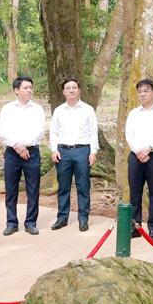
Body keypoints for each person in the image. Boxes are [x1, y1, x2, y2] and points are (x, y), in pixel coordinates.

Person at [49, 78, 99, 232]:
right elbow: (54, 132)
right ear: (63, 92)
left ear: (79, 90)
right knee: (63, 186)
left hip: (82, 151)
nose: (71, 90)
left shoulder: (87, 109)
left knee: (83, 186)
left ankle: (83, 218)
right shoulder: (59, 110)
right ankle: (62, 217)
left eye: (74, 87)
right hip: (63, 151)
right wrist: (54, 149)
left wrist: (93, 151)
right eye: (68, 88)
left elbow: (93, 132)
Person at [0, 76, 44, 236]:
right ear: (16, 90)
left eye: (31, 87)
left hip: (32, 151)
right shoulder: (7, 109)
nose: (29, 90)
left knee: (33, 188)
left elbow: (40, 131)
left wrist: (25, 145)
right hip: (12, 152)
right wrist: (17, 146)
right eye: (26, 87)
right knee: (11, 188)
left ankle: (31, 222)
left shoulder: (37, 109)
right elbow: (3, 132)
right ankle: (11, 222)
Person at [125, 78, 153, 240]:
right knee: (135, 192)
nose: (142, 94)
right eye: (140, 91)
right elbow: (128, 135)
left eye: (146, 90)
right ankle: (135, 226)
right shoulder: (133, 113)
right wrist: (138, 151)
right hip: (135, 156)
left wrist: (149, 148)